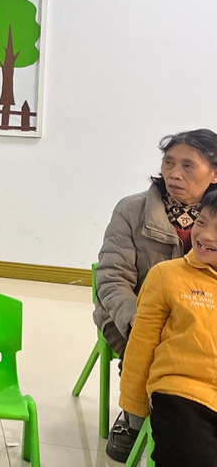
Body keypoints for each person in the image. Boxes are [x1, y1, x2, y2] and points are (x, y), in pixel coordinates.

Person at [94, 128, 217, 461]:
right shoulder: (132, 210)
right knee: (147, 348)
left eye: (188, 166)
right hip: (132, 315)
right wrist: (137, 319)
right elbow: (112, 279)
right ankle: (136, 419)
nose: (174, 173)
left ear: (214, 173)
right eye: (169, 162)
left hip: (197, 319)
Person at [118, 189, 217, 466]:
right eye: (201, 222)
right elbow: (142, 344)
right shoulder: (167, 275)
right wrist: (134, 407)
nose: (206, 235)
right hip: (182, 391)